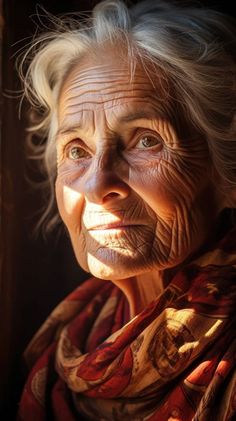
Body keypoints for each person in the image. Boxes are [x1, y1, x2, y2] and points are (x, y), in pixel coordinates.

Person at [17, 0, 236, 420]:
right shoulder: (73, 336)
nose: (97, 185)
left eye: (146, 141)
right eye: (76, 149)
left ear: (225, 173)